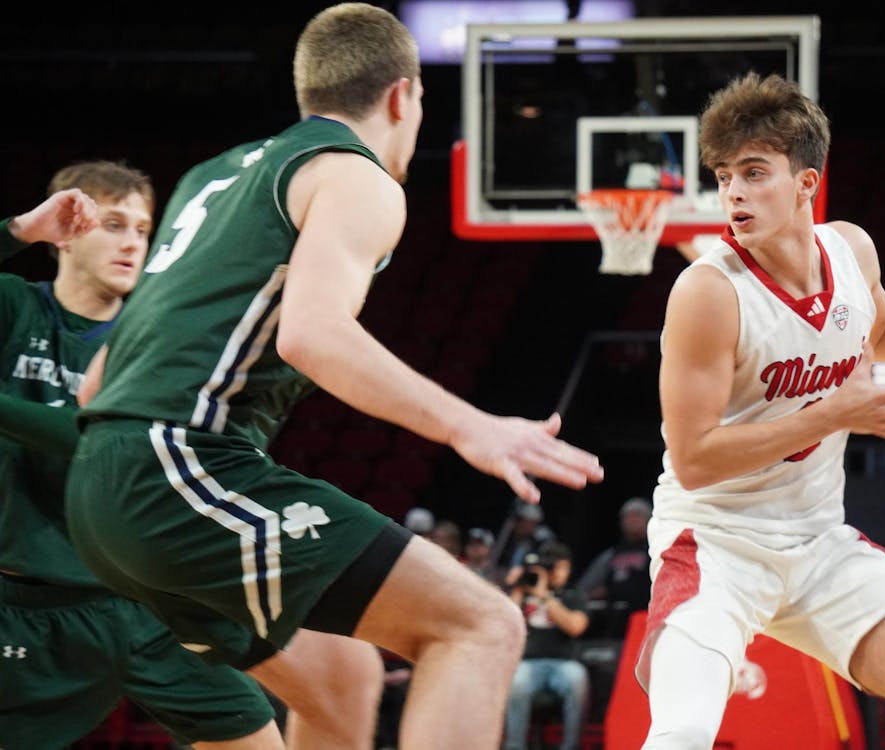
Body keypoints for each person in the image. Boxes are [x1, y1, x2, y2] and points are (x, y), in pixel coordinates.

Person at [62, 5, 604, 750]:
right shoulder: (358, 177)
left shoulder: (209, 178)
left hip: (102, 485)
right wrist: (470, 425)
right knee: (479, 623)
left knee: (346, 678)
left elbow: (97, 378)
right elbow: (313, 335)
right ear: (402, 97)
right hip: (173, 467)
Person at [638, 71, 885, 750]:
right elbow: (693, 462)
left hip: (817, 542)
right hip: (716, 543)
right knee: (682, 733)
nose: (734, 193)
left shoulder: (851, 248)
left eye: (754, 172)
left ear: (806, 183)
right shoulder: (708, 293)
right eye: (723, 176)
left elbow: (881, 325)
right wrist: (833, 414)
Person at [0, 164, 283, 749]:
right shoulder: (15, 309)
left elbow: (107, 444)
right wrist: (18, 230)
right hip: (23, 607)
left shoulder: (160, 338)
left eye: (144, 228)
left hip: (139, 602)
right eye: (113, 223)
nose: (132, 241)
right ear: (67, 232)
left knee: (252, 736)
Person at [503, 540, 590, 750]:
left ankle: (571, 746)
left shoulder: (572, 593)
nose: (560, 573)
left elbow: (576, 627)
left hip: (563, 663)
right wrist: (516, 588)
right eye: (556, 567)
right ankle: (515, 746)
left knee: (578, 678)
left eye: (564, 568)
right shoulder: (524, 591)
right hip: (527, 663)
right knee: (516, 681)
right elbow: (506, 625)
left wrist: (545, 596)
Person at [575, 496, 652, 637]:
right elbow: (583, 589)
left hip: (645, 619)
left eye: (638, 515)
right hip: (614, 623)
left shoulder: (655, 551)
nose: (632, 520)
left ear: (649, 520)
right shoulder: (611, 554)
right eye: (628, 516)